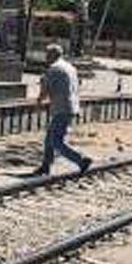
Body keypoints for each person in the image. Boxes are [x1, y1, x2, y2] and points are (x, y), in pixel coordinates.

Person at [34, 43, 93, 176]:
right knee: (49, 138)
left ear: (52, 55)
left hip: (61, 108)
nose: (45, 57)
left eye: (47, 54)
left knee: (56, 141)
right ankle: (45, 166)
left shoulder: (54, 69)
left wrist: (38, 102)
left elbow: (45, 90)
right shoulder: (70, 67)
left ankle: (81, 159)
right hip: (71, 105)